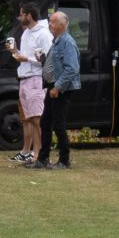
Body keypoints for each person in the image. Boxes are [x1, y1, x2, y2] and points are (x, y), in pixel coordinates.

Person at [9, 4, 51, 168]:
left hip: (36, 78)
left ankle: (40, 155)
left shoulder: (44, 34)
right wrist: (15, 51)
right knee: (30, 119)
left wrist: (26, 59)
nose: (19, 18)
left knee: (37, 119)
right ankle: (33, 153)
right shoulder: (26, 32)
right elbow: (25, 55)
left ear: (29, 16)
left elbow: (47, 60)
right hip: (24, 78)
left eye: (21, 15)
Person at [41, 10, 79, 170]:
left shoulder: (67, 42)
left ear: (61, 25)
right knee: (45, 122)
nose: (49, 24)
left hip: (61, 89)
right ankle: (42, 159)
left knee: (58, 124)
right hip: (53, 87)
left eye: (52, 21)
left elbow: (72, 69)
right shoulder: (57, 41)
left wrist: (58, 87)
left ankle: (64, 160)